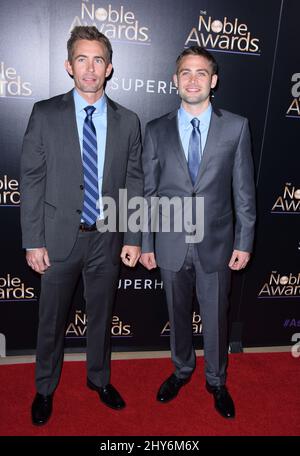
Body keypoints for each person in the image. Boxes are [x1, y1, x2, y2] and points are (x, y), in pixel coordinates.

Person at [20, 26, 143, 425]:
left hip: (106, 241)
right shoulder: (45, 113)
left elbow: (135, 182)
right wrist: (33, 240)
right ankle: (44, 387)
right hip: (56, 239)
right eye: (82, 59)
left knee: (102, 316)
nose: (90, 68)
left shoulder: (128, 121)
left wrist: (134, 236)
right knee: (51, 321)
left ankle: (99, 379)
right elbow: (32, 179)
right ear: (68, 65)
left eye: (98, 60)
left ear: (109, 68)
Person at [140, 46, 256, 419]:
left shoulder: (236, 127)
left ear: (214, 80)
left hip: (217, 245)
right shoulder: (155, 129)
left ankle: (217, 380)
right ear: (175, 81)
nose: (192, 79)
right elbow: (149, 192)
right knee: (176, 315)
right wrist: (145, 242)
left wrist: (244, 241)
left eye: (201, 73)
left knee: (216, 318)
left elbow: (244, 191)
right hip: (170, 243)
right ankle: (181, 369)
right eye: (185, 73)